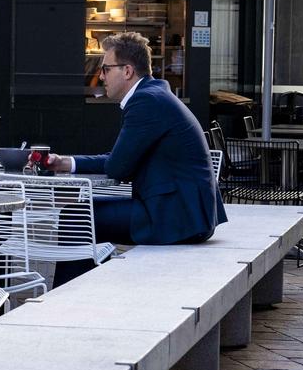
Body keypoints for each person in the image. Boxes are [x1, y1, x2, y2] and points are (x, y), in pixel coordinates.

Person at [46, 32, 227, 283]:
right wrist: (68, 162)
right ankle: (87, 291)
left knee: (77, 217)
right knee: (82, 213)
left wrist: (78, 163)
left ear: (127, 71)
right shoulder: (153, 96)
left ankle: (65, 302)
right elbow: (120, 160)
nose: (101, 76)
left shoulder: (145, 101)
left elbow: (118, 167)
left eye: (106, 69)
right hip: (183, 211)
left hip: (177, 217)